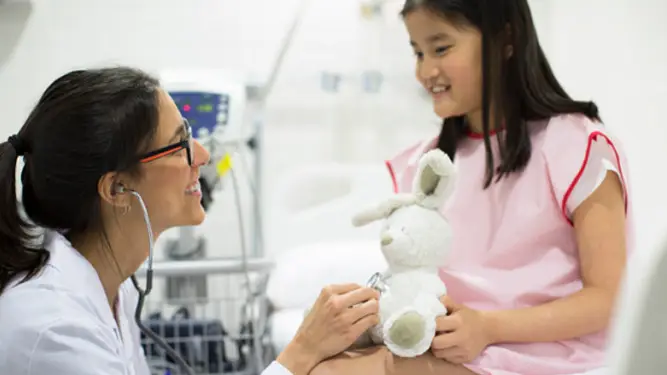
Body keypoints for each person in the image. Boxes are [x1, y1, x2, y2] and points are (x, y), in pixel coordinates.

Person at [310, 0, 631, 375]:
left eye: (441, 48)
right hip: (458, 347)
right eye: (417, 52)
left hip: (547, 356)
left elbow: (610, 298)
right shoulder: (428, 163)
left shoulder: (574, 145)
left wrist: (488, 327)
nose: (426, 70)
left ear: (505, 40)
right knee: (322, 364)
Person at [0, 67, 380, 375]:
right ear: (117, 189)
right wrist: (302, 352)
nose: (201, 155)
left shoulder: (115, 287)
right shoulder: (54, 330)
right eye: (179, 144)